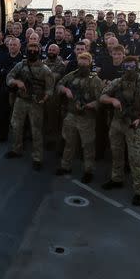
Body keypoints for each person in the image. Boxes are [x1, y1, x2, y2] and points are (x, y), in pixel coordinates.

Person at [99, 56, 140, 205]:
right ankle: (116, 178)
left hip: (134, 125)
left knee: (135, 158)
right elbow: (102, 96)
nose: (129, 69)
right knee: (116, 152)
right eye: (126, 66)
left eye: (132, 66)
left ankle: (139, 191)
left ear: (137, 67)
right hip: (117, 122)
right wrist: (113, 100)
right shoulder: (118, 83)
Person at [5, 42, 54, 170]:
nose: (32, 52)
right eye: (30, 49)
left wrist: (44, 98)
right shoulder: (21, 65)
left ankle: (37, 158)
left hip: (36, 103)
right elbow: (9, 77)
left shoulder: (45, 69)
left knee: (36, 130)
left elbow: (50, 89)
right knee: (16, 125)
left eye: (34, 50)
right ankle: (17, 149)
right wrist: (16, 82)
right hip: (21, 100)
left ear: (38, 51)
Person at [56, 52, 103, 182]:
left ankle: (88, 170)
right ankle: (66, 166)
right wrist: (66, 90)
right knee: (69, 142)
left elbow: (102, 99)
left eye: (85, 61)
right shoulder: (71, 76)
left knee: (88, 146)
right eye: (80, 61)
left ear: (90, 63)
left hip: (86, 117)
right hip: (71, 115)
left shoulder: (95, 80)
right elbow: (59, 84)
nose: (82, 64)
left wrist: (92, 105)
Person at [0, 37, 23, 143]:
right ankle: (2, 135)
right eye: (10, 45)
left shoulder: (22, 60)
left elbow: (21, 76)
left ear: (19, 46)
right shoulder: (3, 57)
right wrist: (8, 73)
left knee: (18, 117)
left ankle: (19, 140)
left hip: (18, 93)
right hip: (4, 90)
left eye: (15, 45)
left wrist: (5, 71)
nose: (12, 47)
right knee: (3, 114)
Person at [42, 44, 66, 148]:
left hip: (54, 95)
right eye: (50, 49)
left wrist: (44, 76)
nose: (51, 51)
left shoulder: (61, 64)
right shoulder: (43, 62)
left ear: (58, 52)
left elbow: (54, 77)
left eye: (54, 50)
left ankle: (53, 140)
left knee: (53, 118)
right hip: (42, 92)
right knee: (43, 117)